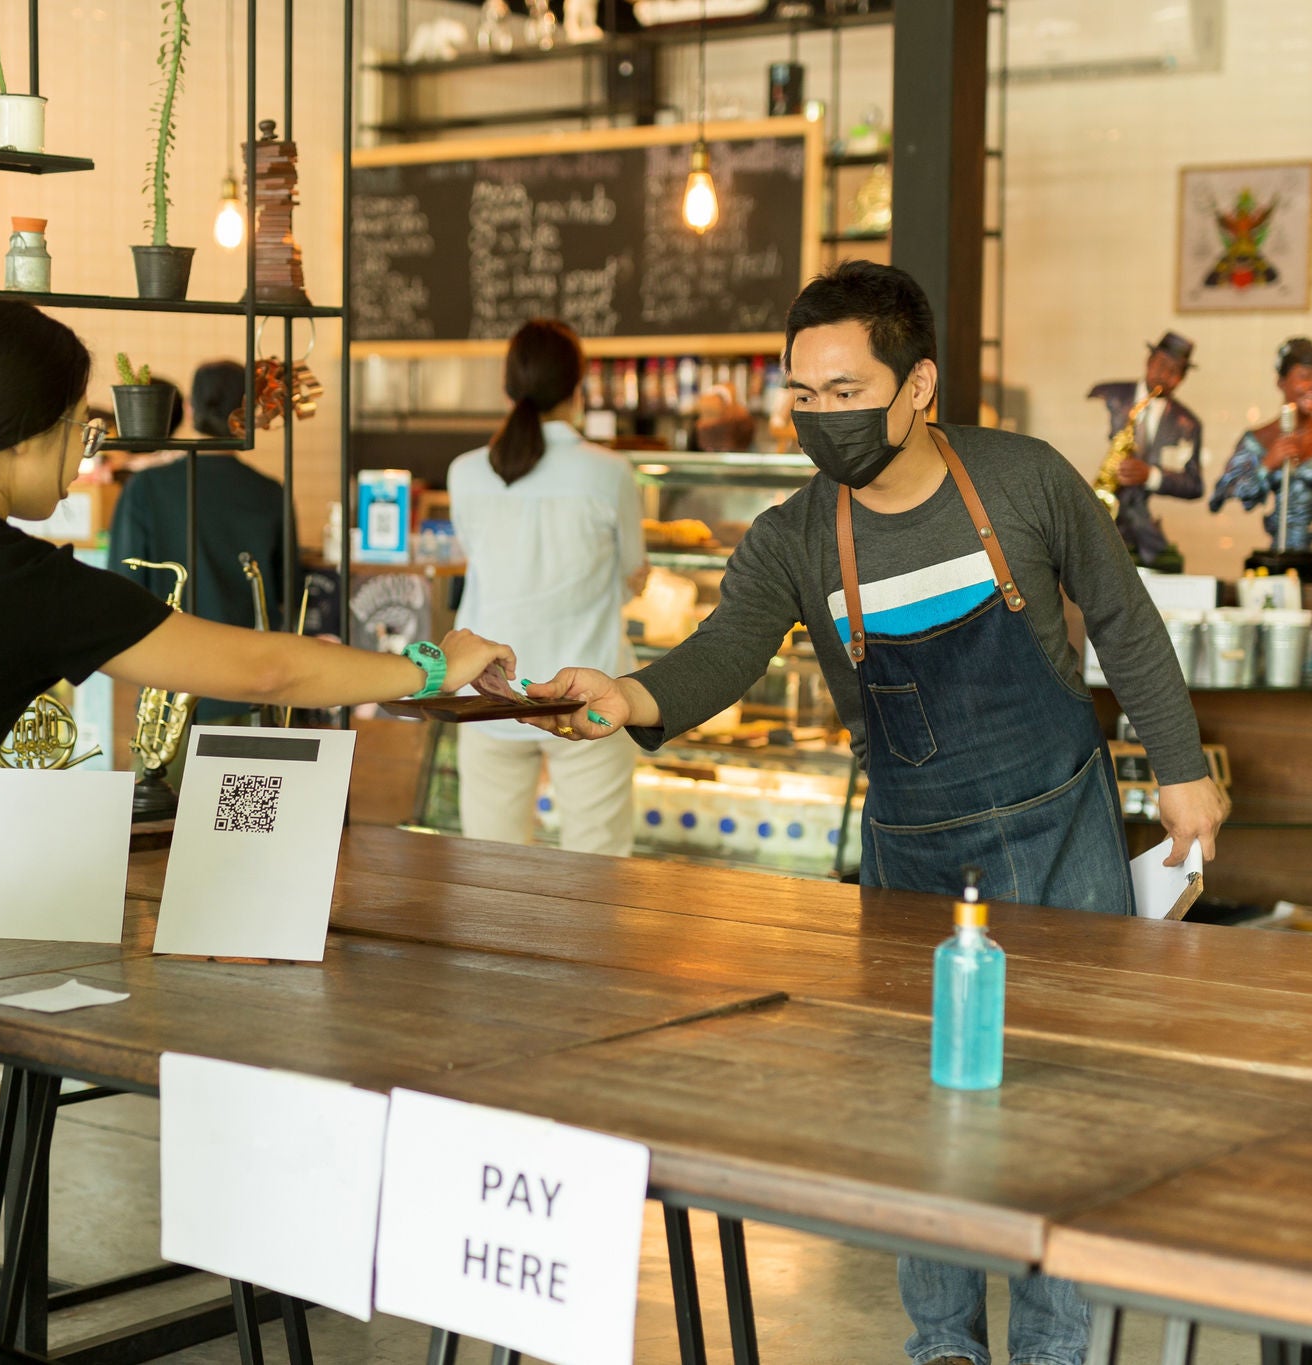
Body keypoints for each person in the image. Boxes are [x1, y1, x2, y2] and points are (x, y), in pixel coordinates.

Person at [0, 300, 515, 1347]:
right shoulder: (18, 583)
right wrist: (429, 664)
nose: (81, 455)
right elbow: (265, 664)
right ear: (21, 435)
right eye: (79, 427)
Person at [523, 261, 1227, 1365]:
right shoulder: (799, 536)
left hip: (1063, 831)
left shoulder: (1025, 482)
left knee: (1067, 1109)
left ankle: (1053, 1350)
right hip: (914, 847)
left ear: (917, 388)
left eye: (843, 392)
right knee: (929, 1111)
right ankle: (940, 1345)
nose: (817, 417)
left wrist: (1180, 767)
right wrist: (625, 698)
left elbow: (1127, 624)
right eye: (800, 394)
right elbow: (721, 651)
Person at [449, 319, 647, 857]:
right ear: (577, 387)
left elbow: (480, 561)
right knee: (598, 869)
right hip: (590, 691)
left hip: (490, 692)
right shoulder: (609, 471)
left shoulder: (465, 472)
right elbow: (635, 571)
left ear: (508, 386)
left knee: (491, 873)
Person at [110, 359, 286, 724]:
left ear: (189, 409)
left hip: (168, 696)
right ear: (249, 413)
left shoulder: (145, 489)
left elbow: (120, 592)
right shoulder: (271, 494)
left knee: (165, 785)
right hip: (253, 691)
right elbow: (288, 593)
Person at [1209, 337, 1312, 556]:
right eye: (1305, 377)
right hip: (1268, 557)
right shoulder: (1256, 439)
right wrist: (1266, 467)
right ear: (1281, 382)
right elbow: (1220, 498)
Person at [1086, 331, 1205, 567]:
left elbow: (1195, 485)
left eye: (1176, 371)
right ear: (1149, 361)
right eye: (1161, 365)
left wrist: (1152, 476)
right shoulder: (1106, 395)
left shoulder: (1188, 423)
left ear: (1183, 378)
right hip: (1099, 529)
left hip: (1148, 541)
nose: (1165, 375)